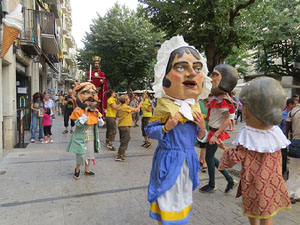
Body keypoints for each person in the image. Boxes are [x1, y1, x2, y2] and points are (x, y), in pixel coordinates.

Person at [145, 36, 211, 225]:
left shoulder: (196, 106)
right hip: (168, 159)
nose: (192, 73)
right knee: (166, 198)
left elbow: (200, 137)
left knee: (183, 198)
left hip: (189, 160)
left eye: (197, 68)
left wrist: (201, 128)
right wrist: (166, 127)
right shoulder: (164, 105)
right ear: (164, 76)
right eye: (181, 67)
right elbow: (150, 131)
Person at [219, 77, 291, 225]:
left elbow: (237, 156)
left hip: (253, 183)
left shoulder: (248, 134)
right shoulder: (276, 133)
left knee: (254, 211)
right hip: (272, 181)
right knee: (267, 214)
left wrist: (224, 149)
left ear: (248, 109)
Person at [199, 64, 237, 194]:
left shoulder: (223, 100)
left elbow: (227, 120)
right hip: (212, 131)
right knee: (210, 157)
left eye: (215, 75)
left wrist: (216, 135)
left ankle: (212, 184)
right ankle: (229, 179)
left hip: (215, 132)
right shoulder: (217, 98)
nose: (211, 78)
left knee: (209, 158)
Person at [66, 82, 104, 180]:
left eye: (93, 93)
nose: (91, 96)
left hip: (91, 137)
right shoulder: (78, 111)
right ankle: (77, 170)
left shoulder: (95, 111)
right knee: (81, 155)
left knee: (90, 155)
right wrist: (85, 114)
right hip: (81, 139)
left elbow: (101, 124)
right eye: (86, 92)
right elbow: (78, 124)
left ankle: (87, 170)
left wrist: (98, 116)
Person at [115, 95, 143, 162]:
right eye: (128, 99)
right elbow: (136, 110)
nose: (129, 100)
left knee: (124, 139)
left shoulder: (122, 107)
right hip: (125, 126)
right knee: (125, 140)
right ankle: (119, 155)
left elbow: (130, 112)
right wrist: (140, 105)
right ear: (125, 101)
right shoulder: (125, 107)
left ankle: (122, 152)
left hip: (121, 125)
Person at [286, 99, 300, 204]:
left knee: (293, 169)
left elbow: (287, 127)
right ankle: (296, 194)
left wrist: (287, 139)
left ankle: (291, 193)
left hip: (294, 142)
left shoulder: (292, 112)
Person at [279, 98, 297, 177]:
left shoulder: (296, 114)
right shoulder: (282, 114)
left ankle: (290, 172)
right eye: (295, 105)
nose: (296, 106)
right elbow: (278, 127)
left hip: (293, 139)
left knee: (293, 157)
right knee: (284, 156)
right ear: (290, 105)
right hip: (284, 139)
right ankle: (282, 172)